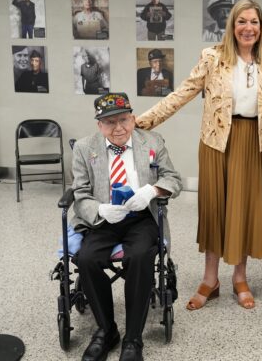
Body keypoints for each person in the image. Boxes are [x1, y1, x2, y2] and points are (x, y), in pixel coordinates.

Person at [136, 0, 262, 311]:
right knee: (214, 209)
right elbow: (183, 93)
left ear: (261, 26)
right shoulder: (212, 58)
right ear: (232, 25)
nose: (248, 28)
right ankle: (210, 278)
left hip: (253, 144)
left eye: (254, 22)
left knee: (243, 211)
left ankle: (240, 278)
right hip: (216, 142)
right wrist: (143, 120)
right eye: (242, 21)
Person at [72, 92, 182, 361]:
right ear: (99, 125)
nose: (118, 128)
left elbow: (173, 179)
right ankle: (107, 330)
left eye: (123, 120)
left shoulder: (153, 141)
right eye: (109, 122)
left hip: (142, 217)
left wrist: (153, 190)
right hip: (104, 218)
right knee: (86, 259)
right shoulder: (85, 147)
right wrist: (99, 210)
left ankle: (133, 338)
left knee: (140, 256)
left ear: (133, 119)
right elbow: (79, 192)